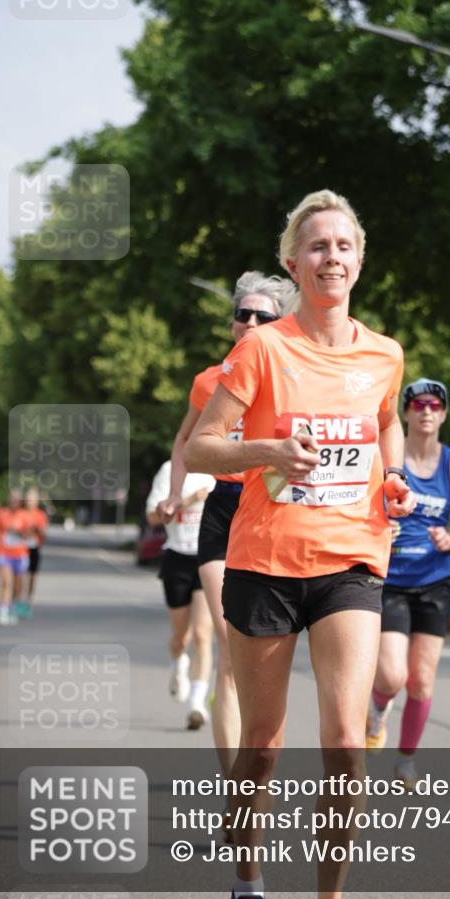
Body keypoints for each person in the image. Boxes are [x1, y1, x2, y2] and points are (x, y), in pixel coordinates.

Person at [184, 190, 416, 899]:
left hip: (351, 557)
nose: (331, 257)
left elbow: (385, 430)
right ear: (294, 261)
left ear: (359, 261)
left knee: (346, 739)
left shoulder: (384, 354)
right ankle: (248, 880)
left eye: (343, 246)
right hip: (264, 562)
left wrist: (396, 480)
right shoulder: (262, 347)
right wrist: (267, 448)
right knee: (263, 740)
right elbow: (199, 447)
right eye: (317, 246)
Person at [156, 272, 297, 773]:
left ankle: (249, 777)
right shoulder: (207, 381)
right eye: (245, 314)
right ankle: (235, 787)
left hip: (275, 511)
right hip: (222, 508)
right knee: (226, 640)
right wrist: (175, 492)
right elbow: (184, 441)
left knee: (255, 658)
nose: (253, 322)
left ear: (282, 323)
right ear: (233, 322)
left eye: (265, 316)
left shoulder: (294, 377)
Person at [366, 378, 450, 789]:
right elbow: (360, 510)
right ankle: (378, 712)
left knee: (422, 679)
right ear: (405, 413)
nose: (427, 411)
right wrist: (380, 529)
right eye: (418, 404)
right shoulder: (385, 460)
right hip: (392, 580)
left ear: (445, 413)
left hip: (434, 582)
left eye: (435, 404)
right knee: (392, 675)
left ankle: (406, 761)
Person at [146, 460, 216, 729]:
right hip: (177, 558)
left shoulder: (220, 467)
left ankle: (197, 704)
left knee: (202, 634)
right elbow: (153, 517)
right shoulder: (170, 469)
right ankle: (179, 663)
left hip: (207, 558)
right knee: (180, 638)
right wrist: (187, 501)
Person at [0, 490, 31, 626]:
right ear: (8, 500)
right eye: (12, 499)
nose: (14, 502)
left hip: (20, 555)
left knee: (17, 586)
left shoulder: (25, 516)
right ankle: (3, 611)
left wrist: (18, 532)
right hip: (4, 553)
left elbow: (29, 535)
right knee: (7, 582)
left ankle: (12, 608)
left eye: (17, 500)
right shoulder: (2, 514)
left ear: (20, 502)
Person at [12, 487, 48, 619]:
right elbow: (13, 530)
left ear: (37, 500)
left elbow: (45, 536)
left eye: (33, 498)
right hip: (20, 549)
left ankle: (28, 602)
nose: (30, 501)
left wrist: (38, 530)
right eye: (28, 498)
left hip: (34, 549)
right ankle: (16, 603)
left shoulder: (40, 515)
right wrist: (24, 531)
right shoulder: (20, 513)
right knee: (19, 578)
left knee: (32, 578)